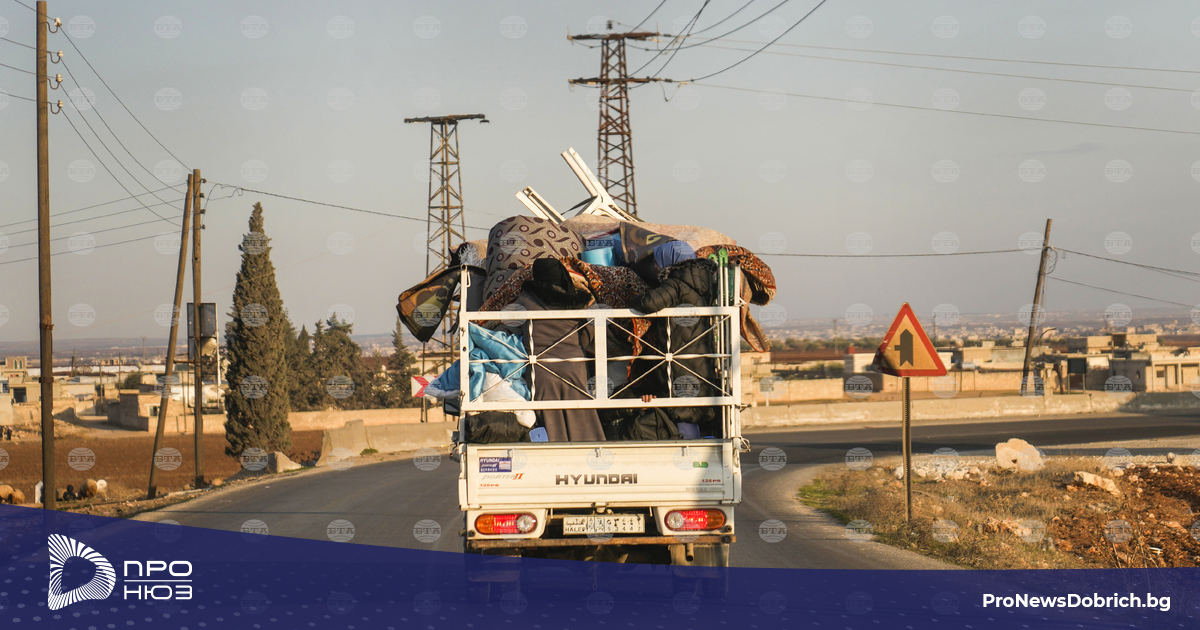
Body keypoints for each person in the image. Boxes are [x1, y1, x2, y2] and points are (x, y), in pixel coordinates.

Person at [514, 258, 605, 442]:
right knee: (582, 417)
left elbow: (513, 331)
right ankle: (590, 452)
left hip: (540, 370)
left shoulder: (524, 299)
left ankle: (555, 453)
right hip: (574, 367)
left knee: (550, 420)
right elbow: (586, 337)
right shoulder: (577, 300)